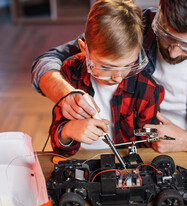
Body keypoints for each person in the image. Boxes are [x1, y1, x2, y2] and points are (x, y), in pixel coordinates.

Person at [32, 0, 187, 159]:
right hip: (133, 154)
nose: (173, 51)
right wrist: (65, 95)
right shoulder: (135, 25)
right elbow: (47, 61)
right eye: (166, 34)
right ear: (161, 5)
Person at [49, 0, 164, 156]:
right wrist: (68, 131)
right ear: (84, 49)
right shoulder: (70, 72)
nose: (117, 77)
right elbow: (58, 144)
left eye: (127, 65)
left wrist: (156, 135)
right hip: (81, 158)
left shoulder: (146, 88)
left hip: (125, 162)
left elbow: (147, 142)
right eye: (107, 67)